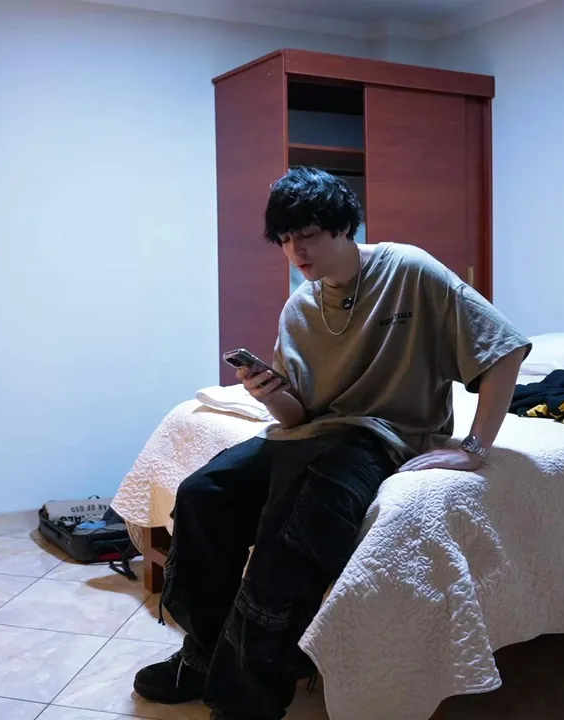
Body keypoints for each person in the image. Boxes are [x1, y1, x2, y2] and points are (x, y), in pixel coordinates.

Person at [131, 166, 532, 720]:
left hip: (381, 438)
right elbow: (299, 415)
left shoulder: (408, 270)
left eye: (309, 234)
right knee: (204, 494)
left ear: (345, 227)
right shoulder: (299, 308)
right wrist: (270, 392)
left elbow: (505, 348)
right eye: (286, 239)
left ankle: (247, 696)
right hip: (308, 435)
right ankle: (202, 656)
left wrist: (474, 448)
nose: (297, 250)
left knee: (297, 524)